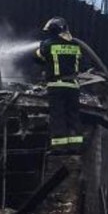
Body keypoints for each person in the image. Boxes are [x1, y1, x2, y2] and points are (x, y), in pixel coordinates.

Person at [35, 17, 83, 153]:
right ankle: (76, 146)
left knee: (58, 116)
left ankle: (59, 147)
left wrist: (40, 48)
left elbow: (37, 58)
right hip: (73, 86)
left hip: (57, 86)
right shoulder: (76, 45)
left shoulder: (48, 44)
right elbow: (81, 62)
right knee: (73, 115)